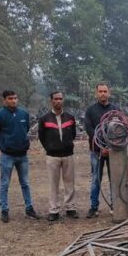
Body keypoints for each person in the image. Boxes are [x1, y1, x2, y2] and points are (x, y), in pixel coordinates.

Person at [0, 90, 38, 223]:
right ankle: (4, 210)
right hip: (7, 156)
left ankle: (29, 208)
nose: (14, 101)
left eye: (15, 98)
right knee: (5, 183)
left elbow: (25, 129)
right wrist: (4, 145)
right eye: (10, 98)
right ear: (4, 100)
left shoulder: (24, 114)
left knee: (25, 183)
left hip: (22, 155)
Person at [37, 91, 78, 222]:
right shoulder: (44, 119)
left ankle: (70, 208)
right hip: (52, 156)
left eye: (60, 99)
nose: (58, 101)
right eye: (56, 99)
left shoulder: (70, 117)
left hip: (68, 155)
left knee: (69, 183)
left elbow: (73, 134)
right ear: (51, 101)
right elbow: (41, 136)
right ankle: (54, 210)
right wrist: (50, 147)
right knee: (53, 184)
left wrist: (67, 145)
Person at [84, 82, 119, 218]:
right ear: (96, 93)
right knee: (95, 179)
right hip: (96, 151)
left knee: (114, 178)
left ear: (109, 93)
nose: (103, 94)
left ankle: (114, 205)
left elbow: (120, 129)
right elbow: (90, 130)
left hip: (113, 151)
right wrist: (102, 146)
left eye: (105, 91)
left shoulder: (115, 109)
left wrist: (110, 147)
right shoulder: (90, 110)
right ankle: (94, 207)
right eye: (100, 91)